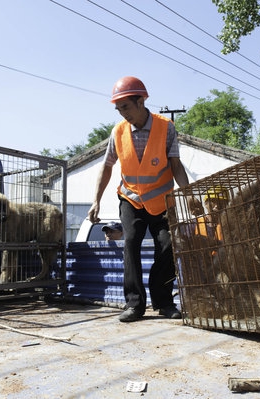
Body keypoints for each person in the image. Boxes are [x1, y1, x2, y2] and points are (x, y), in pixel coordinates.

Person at [87, 76, 190, 323]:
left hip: (162, 200)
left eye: (126, 107)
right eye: (119, 109)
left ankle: (164, 302)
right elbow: (107, 166)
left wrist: (188, 194)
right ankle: (134, 305)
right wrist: (96, 200)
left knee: (167, 246)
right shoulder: (118, 132)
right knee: (130, 243)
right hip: (130, 198)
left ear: (141, 101)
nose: (123, 114)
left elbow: (176, 164)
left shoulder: (166, 127)